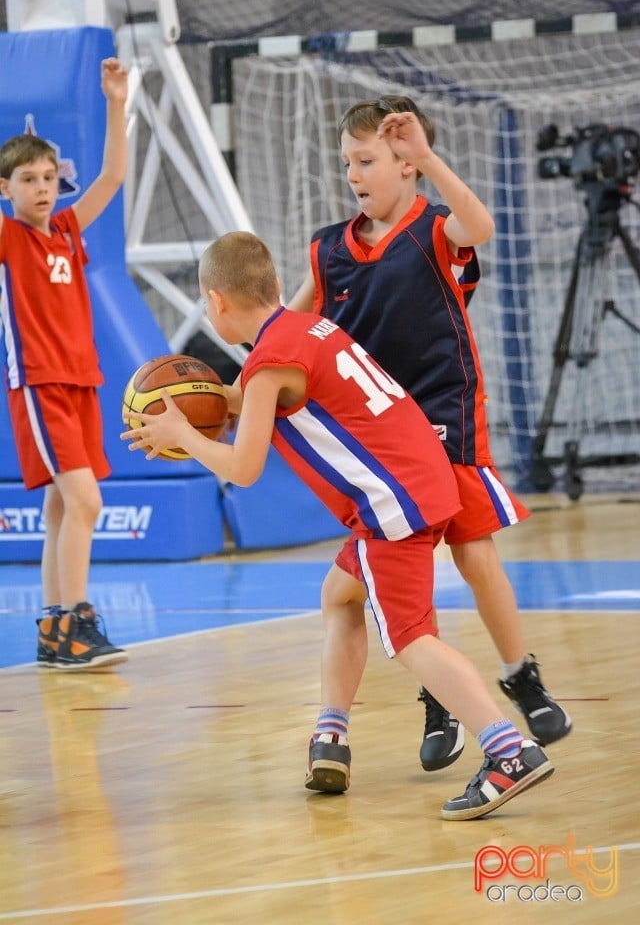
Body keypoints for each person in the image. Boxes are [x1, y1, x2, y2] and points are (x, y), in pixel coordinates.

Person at [121, 230, 554, 821]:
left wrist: (185, 438)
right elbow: (243, 396)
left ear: (216, 302)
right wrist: (196, 405)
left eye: (203, 302)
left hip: (390, 505)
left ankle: (509, 751)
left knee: (409, 639)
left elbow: (243, 469)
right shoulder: (301, 332)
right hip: (421, 481)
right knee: (341, 596)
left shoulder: (270, 363)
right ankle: (332, 735)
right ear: (273, 286)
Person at [288, 95, 571, 772]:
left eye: (368, 161)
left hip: (445, 415)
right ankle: (438, 694)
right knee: (391, 575)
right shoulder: (329, 250)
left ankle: (519, 672)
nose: (355, 174)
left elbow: (483, 224)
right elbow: (288, 331)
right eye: (348, 162)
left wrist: (429, 155)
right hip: (380, 442)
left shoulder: (436, 228)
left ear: (407, 166)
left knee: (474, 552)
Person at [0, 58, 129, 671]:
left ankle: (54, 631)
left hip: (80, 381)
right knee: (86, 502)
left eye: (49, 176)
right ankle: (77, 620)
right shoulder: (8, 239)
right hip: (39, 383)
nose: (42, 187)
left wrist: (115, 102)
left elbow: (112, 174)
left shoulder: (69, 229)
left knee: (60, 506)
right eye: (28, 178)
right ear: (6, 190)